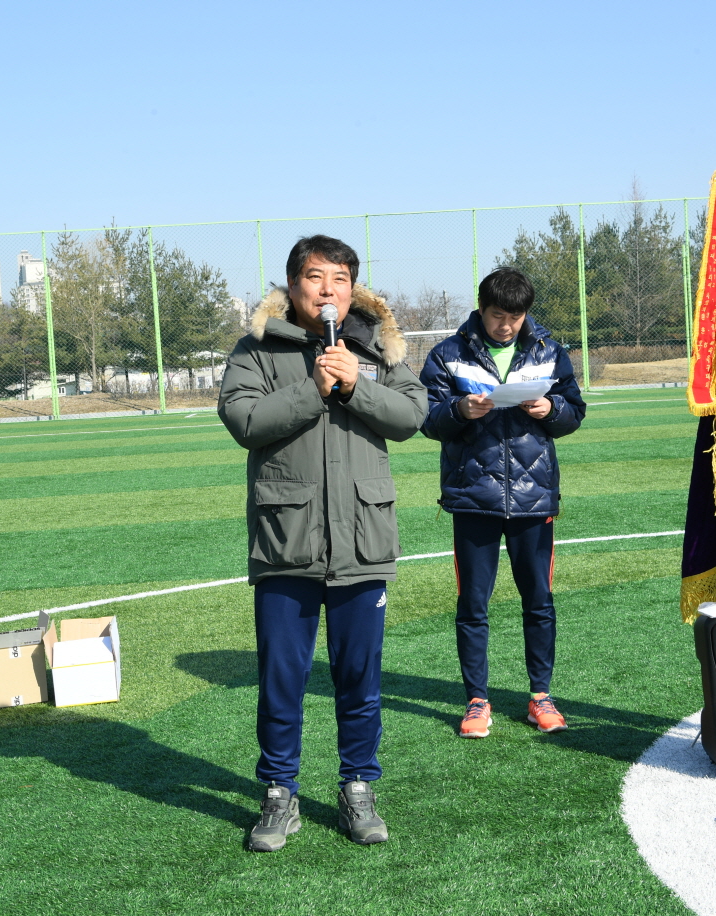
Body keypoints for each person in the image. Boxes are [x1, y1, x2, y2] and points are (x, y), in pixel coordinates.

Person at [218, 235, 427, 851]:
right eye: (315, 278)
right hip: (288, 544)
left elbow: (412, 416)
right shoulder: (257, 348)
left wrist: (357, 385)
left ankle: (358, 787)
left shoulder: (374, 345)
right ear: (293, 285)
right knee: (282, 678)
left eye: (339, 279)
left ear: (352, 289)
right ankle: (279, 794)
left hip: (363, 542)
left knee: (359, 679)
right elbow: (245, 422)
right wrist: (314, 388)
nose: (327, 290)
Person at [418, 266, 586, 738]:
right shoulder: (448, 354)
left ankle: (541, 696)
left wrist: (551, 409)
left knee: (539, 600)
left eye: (515, 316)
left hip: (534, 501)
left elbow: (574, 412)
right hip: (474, 498)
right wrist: (459, 410)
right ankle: (476, 700)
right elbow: (427, 418)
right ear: (481, 309)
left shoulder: (550, 352)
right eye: (497, 316)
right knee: (473, 603)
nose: (506, 325)